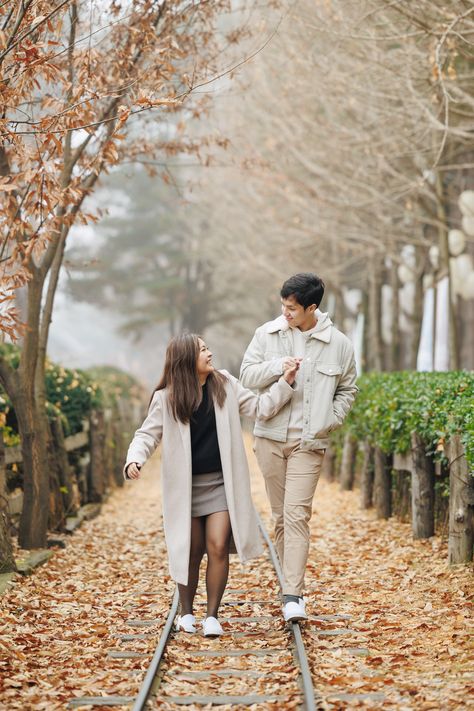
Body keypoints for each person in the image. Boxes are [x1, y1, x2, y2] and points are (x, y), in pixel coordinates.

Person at [124, 333, 297, 637]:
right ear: (186, 360)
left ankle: (212, 615)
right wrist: (134, 459)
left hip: (220, 484)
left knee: (217, 545)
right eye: (202, 350)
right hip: (185, 490)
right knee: (189, 550)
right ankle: (187, 612)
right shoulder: (166, 397)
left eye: (207, 348)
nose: (209, 353)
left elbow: (260, 408)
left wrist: (285, 383)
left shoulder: (225, 384)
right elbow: (147, 435)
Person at [240, 273, 358, 623]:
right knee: (279, 517)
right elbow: (246, 375)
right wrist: (280, 367)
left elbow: (348, 389)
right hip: (270, 438)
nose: (285, 312)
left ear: (312, 307)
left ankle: (293, 595)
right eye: (283, 305)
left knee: (296, 515)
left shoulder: (339, 344)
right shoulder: (267, 334)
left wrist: (329, 419)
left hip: (310, 442)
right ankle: (286, 584)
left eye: (292, 308)